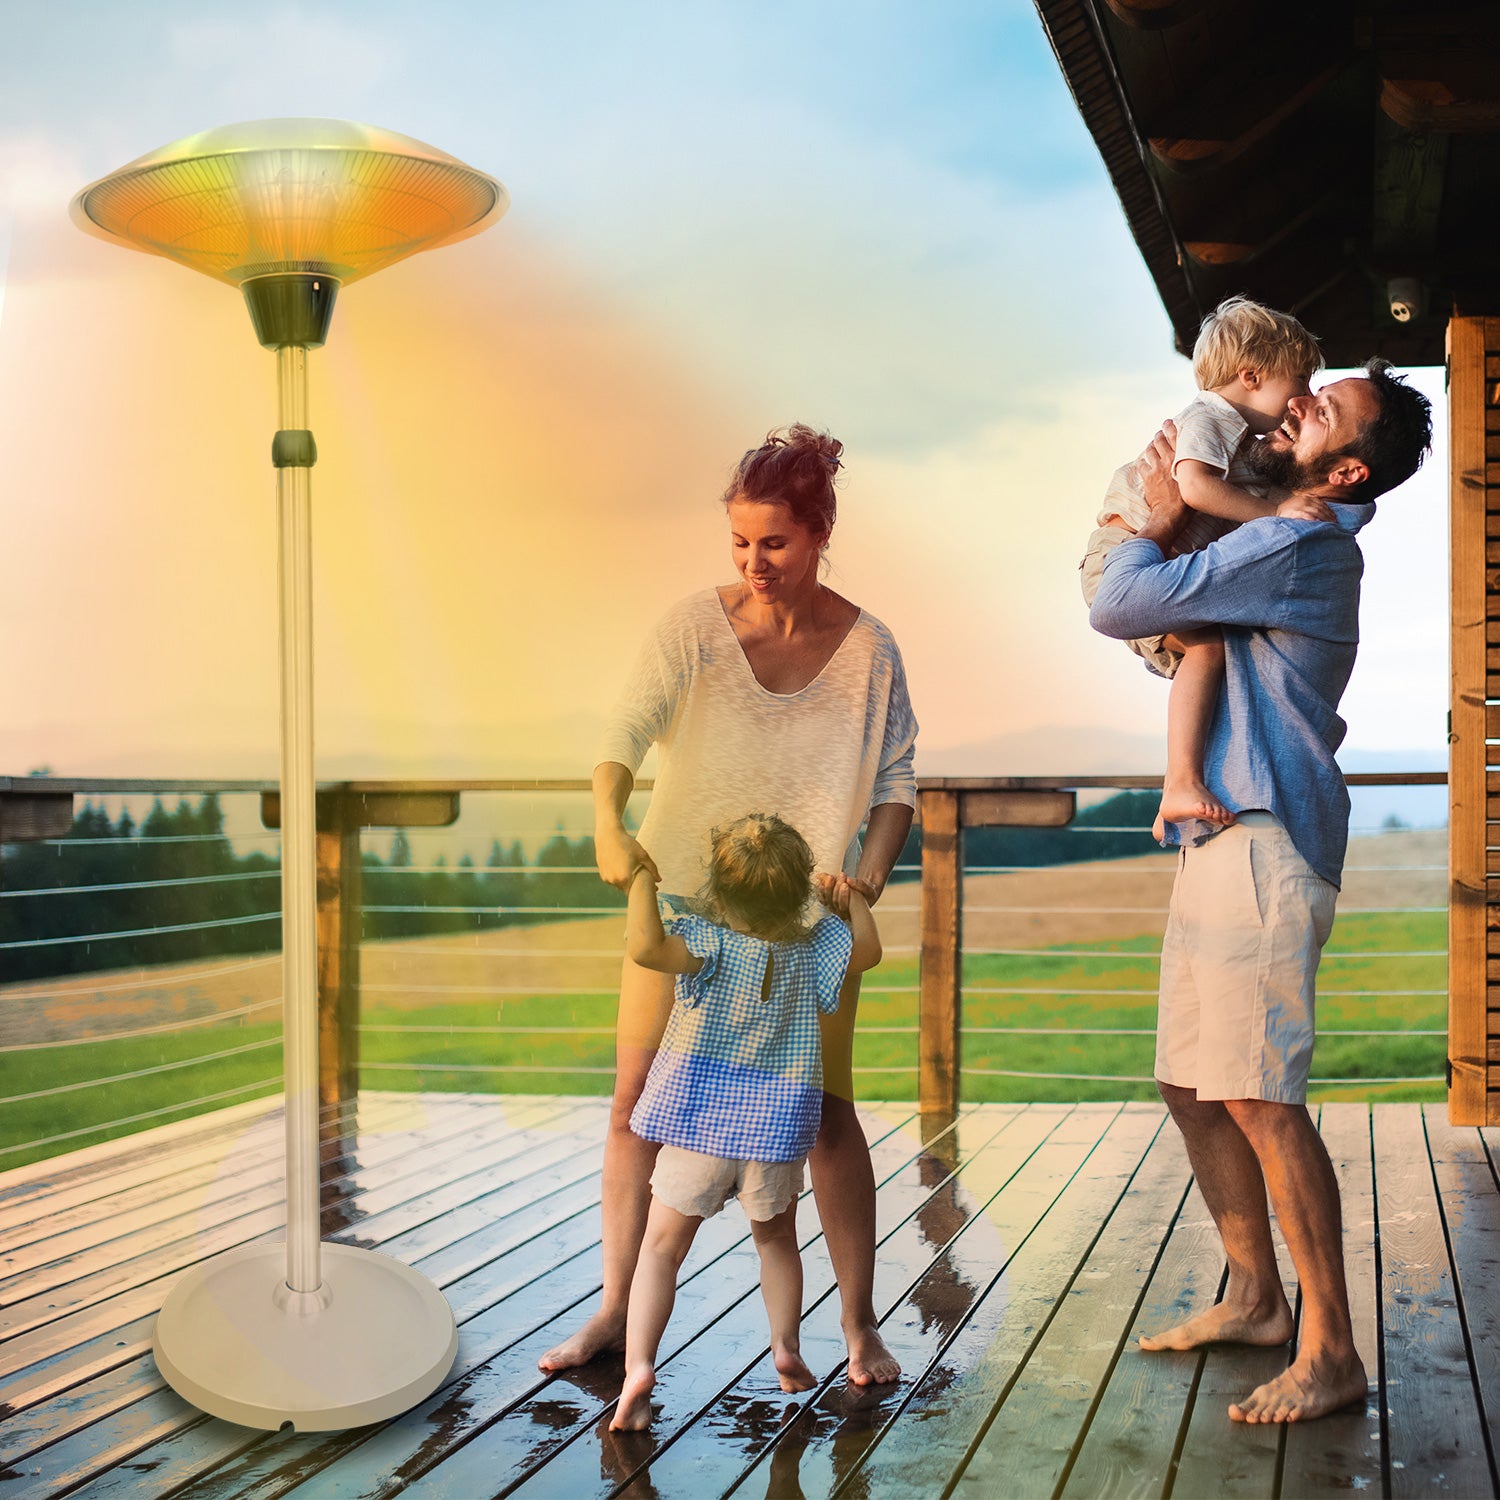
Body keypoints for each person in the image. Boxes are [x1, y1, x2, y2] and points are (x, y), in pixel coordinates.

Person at [1090, 357, 1433, 1423]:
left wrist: (1154, 516)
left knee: (1259, 1098)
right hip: (1222, 829)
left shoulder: (1297, 541)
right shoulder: (1274, 531)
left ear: (1342, 473)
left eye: (1322, 409)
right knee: (1194, 1086)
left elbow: (1120, 602)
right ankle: (1255, 1298)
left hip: (1264, 836)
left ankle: (1330, 1350)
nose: (1296, 403)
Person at [540, 423, 918, 1386]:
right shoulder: (692, 629)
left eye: (776, 543)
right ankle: (615, 1316)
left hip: (808, 932)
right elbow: (622, 730)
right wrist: (605, 821)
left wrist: (864, 882)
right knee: (636, 1107)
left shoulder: (870, 652)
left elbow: (897, 784)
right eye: (740, 544)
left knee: (829, 1116)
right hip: (678, 914)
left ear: (821, 532)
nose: (755, 563)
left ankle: (860, 1329)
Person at [610, 814, 883, 1431]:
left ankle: (639, 1369)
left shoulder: (705, 942)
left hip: (698, 1129)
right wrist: (853, 901)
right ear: (797, 894)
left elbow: (645, 948)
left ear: (718, 889)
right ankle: (785, 1346)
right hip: (773, 1137)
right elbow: (868, 951)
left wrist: (639, 887)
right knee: (777, 1242)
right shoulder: (815, 949)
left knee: (659, 1250)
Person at [1080, 297, 1330, 843]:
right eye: (1301, 381)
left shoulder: (1246, 438)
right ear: (1250, 376)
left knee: (1214, 660)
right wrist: (1275, 514)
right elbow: (1192, 489)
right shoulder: (1210, 417)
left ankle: (1179, 786)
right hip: (1123, 555)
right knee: (1211, 651)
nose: (1305, 398)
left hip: (1158, 560)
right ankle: (1181, 782)